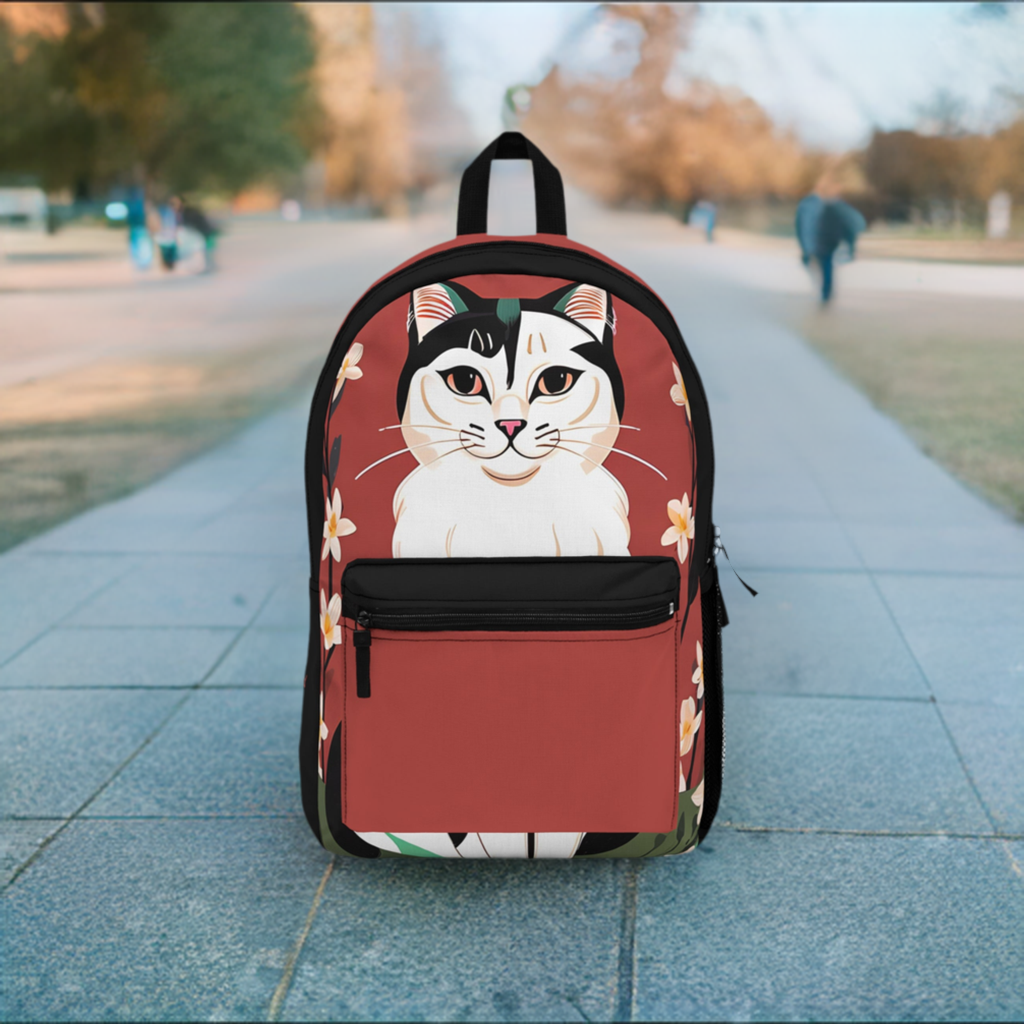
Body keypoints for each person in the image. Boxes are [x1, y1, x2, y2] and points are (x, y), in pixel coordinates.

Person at [796, 194, 865, 304]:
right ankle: (825, 291)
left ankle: (825, 292)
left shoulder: (822, 207)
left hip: (824, 243)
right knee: (825, 266)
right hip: (828, 243)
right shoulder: (836, 208)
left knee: (824, 265)